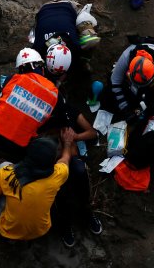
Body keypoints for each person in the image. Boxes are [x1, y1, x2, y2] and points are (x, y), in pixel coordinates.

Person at [0, 129, 75, 241]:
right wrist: (67, 143)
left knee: (4, 164)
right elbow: (66, 159)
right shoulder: (57, 175)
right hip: (40, 231)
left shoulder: (7, 173)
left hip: (7, 230)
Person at [0, 47, 64, 161]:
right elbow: (56, 121)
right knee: (54, 135)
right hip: (18, 151)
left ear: (21, 69)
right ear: (41, 67)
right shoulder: (56, 95)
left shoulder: (12, 79)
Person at [51, 104, 103, 247]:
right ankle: (65, 222)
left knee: (80, 171)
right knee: (60, 190)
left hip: (72, 160)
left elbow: (93, 132)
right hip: (55, 164)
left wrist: (75, 137)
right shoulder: (42, 120)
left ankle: (86, 211)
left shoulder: (70, 110)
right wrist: (63, 146)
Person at [31, 0, 100, 82]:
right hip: (44, 10)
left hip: (68, 6)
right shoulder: (37, 50)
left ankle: (84, 62)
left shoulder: (75, 47)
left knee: (91, 40)